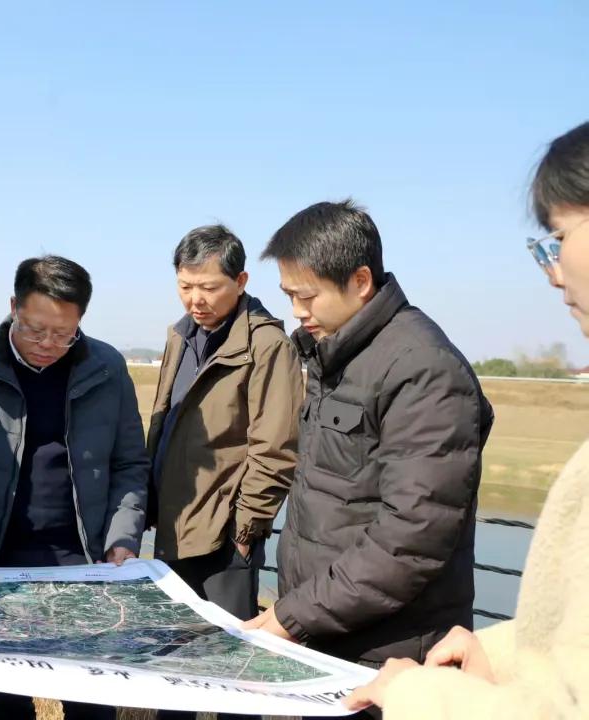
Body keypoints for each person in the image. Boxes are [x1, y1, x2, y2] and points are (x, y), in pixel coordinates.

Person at [344, 121, 589, 719]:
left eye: (559, 238)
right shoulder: (333, 357)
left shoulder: (424, 365)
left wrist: (417, 695)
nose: (553, 272)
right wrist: (501, 653)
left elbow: (414, 526)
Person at [242, 200, 493, 718]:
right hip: (330, 633)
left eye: (307, 296)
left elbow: (410, 538)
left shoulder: (423, 370)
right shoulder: (337, 355)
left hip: (390, 654)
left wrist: (294, 615)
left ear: (359, 281)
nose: (297, 311)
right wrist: (301, 615)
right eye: (289, 296)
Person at [0, 255, 149, 720]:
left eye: (64, 334)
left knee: (92, 701)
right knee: (8, 697)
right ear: (14, 307)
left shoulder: (107, 367)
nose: (48, 344)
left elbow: (130, 463)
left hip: (83, 560)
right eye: (35, 329)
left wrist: (122, 539)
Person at [146, 225, 302, 720]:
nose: (196, 299)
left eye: (209, 287)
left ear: (241, 281)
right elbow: (163, 420)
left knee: (233, 669)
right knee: (176, 665)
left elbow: (275, 447)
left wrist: (246, 529)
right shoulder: (180, 334)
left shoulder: (267, 344)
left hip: (224, 534)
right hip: (174, 525)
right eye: (185, 286)